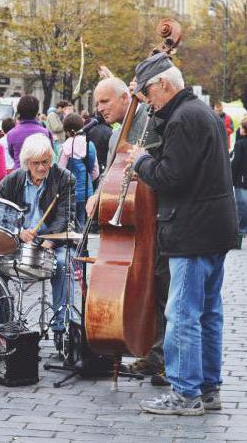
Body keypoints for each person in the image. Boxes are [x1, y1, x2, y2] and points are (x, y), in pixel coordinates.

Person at [127, 54, 237, 416]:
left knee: (183, 314)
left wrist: (142, 161)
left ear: (163, 84)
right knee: (208, 312)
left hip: (192, 229)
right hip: (212, 227)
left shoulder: (182, 118)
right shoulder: (200, 112)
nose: (147, 100)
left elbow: (171, 177)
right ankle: (208, 389)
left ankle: (186, 392)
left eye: (147, 92)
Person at [87, 74, 170, 385]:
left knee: (161, 290)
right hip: (129, 223)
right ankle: (144, 349)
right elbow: (111, 174)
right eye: (97, 103)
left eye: (105, 101)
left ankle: (160, 356)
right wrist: (98, 194)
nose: (100, 108)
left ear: (126, 97)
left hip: (154, 218)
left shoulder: (150, 121)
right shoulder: (113, 136)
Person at [0, 133, 76, 349]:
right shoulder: (10, 182)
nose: (42, 168)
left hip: (51, 241)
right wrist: (18, 231)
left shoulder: (64, 178)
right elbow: (3, 216)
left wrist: (48, 243)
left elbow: (65, 216)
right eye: (36, 163)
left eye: (45, 162)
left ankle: (61, 329)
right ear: (26, 163)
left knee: (62, 264)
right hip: (19, 241)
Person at [57, 113, 99, 229]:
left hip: (71, 191)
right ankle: (83, 244)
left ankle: (76, 244)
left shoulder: (65, 146)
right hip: (87, 190)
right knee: (84, 220)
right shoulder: (89, 144)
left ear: (66, 131)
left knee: (73, 223)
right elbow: (95, 172)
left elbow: (61, 171)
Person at [7, 95, 54, 169]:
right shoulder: (45, 133)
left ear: (19, 110)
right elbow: (50, 155)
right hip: (40, 174)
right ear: (36, 111)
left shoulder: (11, 134)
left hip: (19, 174)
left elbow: (12, 154)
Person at [234, 118, 247, 246]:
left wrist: (232, 179)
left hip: (241, 180)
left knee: (241, 207)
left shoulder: (240, 144)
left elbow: (236, 163)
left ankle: (241, 231)